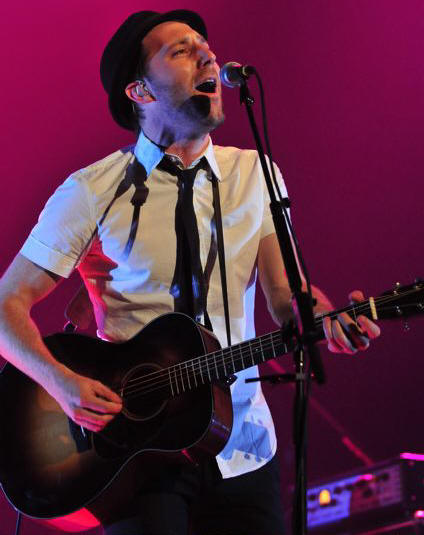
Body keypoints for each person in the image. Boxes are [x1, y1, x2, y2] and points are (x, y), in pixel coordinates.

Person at [0, 10, 380, 535]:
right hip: (136, 455)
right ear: (141, 92)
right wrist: (62, 384)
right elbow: (6, 306)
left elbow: (286, 295)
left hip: (243, 445)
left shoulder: (255, 175)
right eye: (181, 50)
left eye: (205, 45)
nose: (208, 55)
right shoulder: (93, 190)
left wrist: (330, 316)